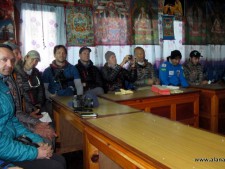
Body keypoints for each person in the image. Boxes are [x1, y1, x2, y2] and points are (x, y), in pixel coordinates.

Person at [0, 44, 66, 169]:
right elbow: (21, 106)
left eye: (12, 60)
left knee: (60, 159)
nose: (10, 64)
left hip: (11, 137)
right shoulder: (14, 76)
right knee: (55, 165)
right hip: (5, 149)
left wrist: (36, 140)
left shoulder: (3, 84)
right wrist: (35, 152)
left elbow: (12, 118)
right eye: (4, 59)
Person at [12, 50, 56, 145]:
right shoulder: (16, 73)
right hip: (25, 109)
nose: (34, 62)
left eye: (36, 60)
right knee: (42, 130)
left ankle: (50, 150)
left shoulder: (36, 72)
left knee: (50, 124)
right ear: (26, 57)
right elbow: (21, 94)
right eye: (32, 59)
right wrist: (31, 109)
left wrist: (39, 105)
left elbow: (41, 90)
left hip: (38, 106)